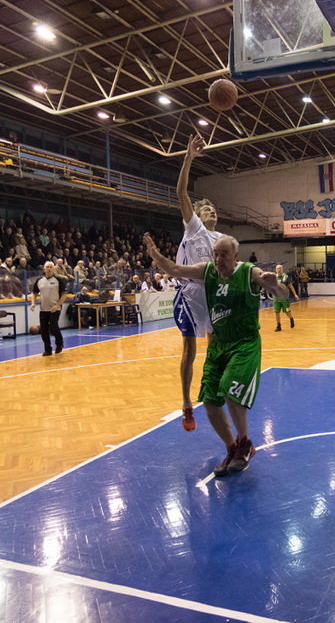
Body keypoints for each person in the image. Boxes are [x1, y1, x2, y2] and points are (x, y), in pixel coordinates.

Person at [144, 232, 286, 478]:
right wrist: (155, 255)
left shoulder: (249, 272)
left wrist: (274, 285)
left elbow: (283, 295)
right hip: (218, 344)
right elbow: (176, 269)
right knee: (209, 401)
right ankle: (232, 448)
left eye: (224, 254)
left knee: (230, 390)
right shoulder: (208, 271)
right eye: (216, 254)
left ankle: (245, 444)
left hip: (244, 343)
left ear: (236, 256)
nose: (219, 259)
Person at [172, 133, 223, 433]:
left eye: (213, 209)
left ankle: (212, 394)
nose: (211, 211)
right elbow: (181, 193)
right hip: (190, 296)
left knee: (215, 351)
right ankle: (186, 404)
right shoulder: (194, 227)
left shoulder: (223, 241)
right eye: (206, 209)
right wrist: (188, 158)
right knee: (189, 351)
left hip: (213, 298)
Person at [30, 261, 67, 356]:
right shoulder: (39, 280)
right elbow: (34, 293)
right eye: (47, 267)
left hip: (55, 308)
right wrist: (33, 303)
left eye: (51, 267)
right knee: (44, 330)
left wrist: (57, 305)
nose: (49, 268)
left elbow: (64, 295)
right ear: (44, 269)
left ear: (54, 269)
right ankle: (48, 349)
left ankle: (59, 344)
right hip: (43, 309)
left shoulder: (59, 280)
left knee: (53, 327)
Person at [272, 264, 300, 331]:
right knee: (276, 312)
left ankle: (291, 319)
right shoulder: (274, 277)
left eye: (280, 268)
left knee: (287, 311)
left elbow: (290, 286)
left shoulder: (285, 277)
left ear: (282, 269)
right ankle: (278, 325)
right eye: (277, 269)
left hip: (284, 297)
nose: (279, 270)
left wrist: (295, 294)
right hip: (276, 297)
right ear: (275, 270)